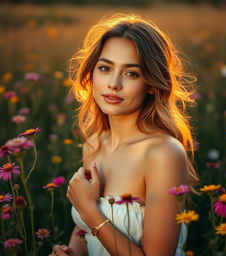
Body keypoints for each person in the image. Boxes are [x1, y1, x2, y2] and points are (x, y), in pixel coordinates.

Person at [49, 13, 199, 256]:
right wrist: (72, 251)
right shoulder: (95, 144)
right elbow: (84, 229)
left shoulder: (163, 153)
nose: (113, 83)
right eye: (105, 68)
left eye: (131, 73)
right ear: (91, 74)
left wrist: (89, 211)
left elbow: (90, 215)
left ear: (151, 84)